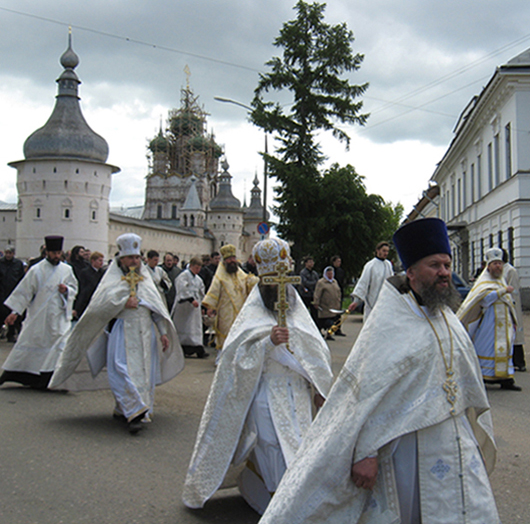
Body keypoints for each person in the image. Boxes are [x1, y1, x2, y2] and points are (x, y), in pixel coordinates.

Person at [259, 218, 499, 524]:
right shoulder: (388, 323)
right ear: (411, 272)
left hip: (455, 441)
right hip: (407, 445)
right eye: (434, 265)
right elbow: (364, 396)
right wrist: (366, 451)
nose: (444, 273)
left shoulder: (447, 317)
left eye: (447, 265)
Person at [183, 238, 333, 515]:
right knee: (272, 446)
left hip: (297, 393)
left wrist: (319, 387)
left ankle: (277, 499)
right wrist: (267, 342)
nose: (280, 287)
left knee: (298, 450)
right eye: (273, 282)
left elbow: (316, 351)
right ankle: (280, 505)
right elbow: (236, 359)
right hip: (265, 390)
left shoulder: (297, 309)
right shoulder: (251, 316)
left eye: (284, 280)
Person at [49, 233, 184, 434]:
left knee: (144, 373)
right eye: (130, 258)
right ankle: (134, 411)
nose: (134, 261)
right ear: (121, 259)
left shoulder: (145, 279)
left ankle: (127, 409)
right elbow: (99, 306)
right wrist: (122, 303)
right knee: (122, 370)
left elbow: (155, 307)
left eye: (137, 258)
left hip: (145, 333)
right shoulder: (111, 279)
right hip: (123, 330)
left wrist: (163, 332)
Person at [0, 236, 78, 389]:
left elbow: (74, 288)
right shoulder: (36, 270)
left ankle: (51, 380)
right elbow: (24, 292)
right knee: (32, 342)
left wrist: (67, 290)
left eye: (58, 253)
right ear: (47, 252)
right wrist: (15, 312)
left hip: (59, 316)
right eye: (53, 253)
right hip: (39, 315)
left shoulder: (67, 269)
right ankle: (22, 375)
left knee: (60, 345)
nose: (56, 256)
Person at [458, 247, 521, 391]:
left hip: (505, 324)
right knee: (486, 349)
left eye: (500, 263)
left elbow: (509, 302)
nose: (498, 266)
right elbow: (483, 300)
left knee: (506, 350)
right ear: (489, 266)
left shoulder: (501, 281)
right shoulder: (484, 282)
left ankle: (506, 380)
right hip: (488, 325)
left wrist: (513, 321)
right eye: (495, 264)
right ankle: (483, 378)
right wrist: (502, 291)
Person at [203, 244, 258, 358]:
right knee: (226, 334)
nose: (232, 261)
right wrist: (210, 308)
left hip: (240, 310)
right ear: (225, 260)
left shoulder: (239, 272)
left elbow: (248, 280)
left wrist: (259, 280)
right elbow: (213, 292)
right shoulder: (219, 276)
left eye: (233, 258)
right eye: (229, 258)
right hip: (225, 311)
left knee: (239, 334)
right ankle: (222, 358)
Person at [172, 257, 209, 358]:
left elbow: (201, 292)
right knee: (184, 326)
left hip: (195, 308)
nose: (198, 270)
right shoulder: (183, 276)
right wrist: (190, 299)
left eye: (199, 268)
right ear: (191, 266)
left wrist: (202, 303)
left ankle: (198, 346)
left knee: (195, 327)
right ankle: (181, 346)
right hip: (184, 307)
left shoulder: (198, 279)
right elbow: (182, 288)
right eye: (196, 268)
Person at [348, 241, 393, 320]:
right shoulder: (370, 265)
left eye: (387, 251)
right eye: (384, 251)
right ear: (377, 250)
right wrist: (356, 301)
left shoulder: (388, 265)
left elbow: (392, 281)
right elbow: (363, 283)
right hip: (372, 303)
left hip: (385, 303)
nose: (386, 253)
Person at [502, 249, 527, 372]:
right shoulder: (501, 270)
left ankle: (520, 362)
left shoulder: (510, 270)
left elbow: (513, 289)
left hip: (511, 305)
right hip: (503, 305)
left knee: (516, 336)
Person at [0, 246, 25, 342]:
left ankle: (11, 334)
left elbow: (21, 278)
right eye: (6, 253)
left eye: (10, 253)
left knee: (12, 315)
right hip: (2, 292)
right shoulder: (1, 263)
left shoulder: (17, 264)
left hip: (13, 292)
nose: (8, 255)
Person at [73, 251, 105, 320]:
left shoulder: (102, 273)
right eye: (100, 260)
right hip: (87, 301)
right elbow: (81, 290)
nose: (101, 263)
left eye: (102, 261)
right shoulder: (85, 272)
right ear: (93, 261)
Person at [313, 266, 342, 340]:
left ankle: (329, 334)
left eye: (331, 273)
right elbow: (317, 293)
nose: (330, 275)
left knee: (333, 320)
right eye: (328, 274)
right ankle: (320, 332)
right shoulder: (321, 282)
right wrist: (316, 302)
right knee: (326, 321)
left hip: (334, 305)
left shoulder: (334, 282)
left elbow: (338, 291)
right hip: (325, 306)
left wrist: (339, 298)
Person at [299, 256, 319, 325]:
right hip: (305, 295)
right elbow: (305, 283)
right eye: (309, 262)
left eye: (312, 262)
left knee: (315, 313)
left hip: (313, 294)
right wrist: (313, 283)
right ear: (306, 263)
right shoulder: (303, 273)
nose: (311, 263)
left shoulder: (314, 273)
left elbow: (318, 282)